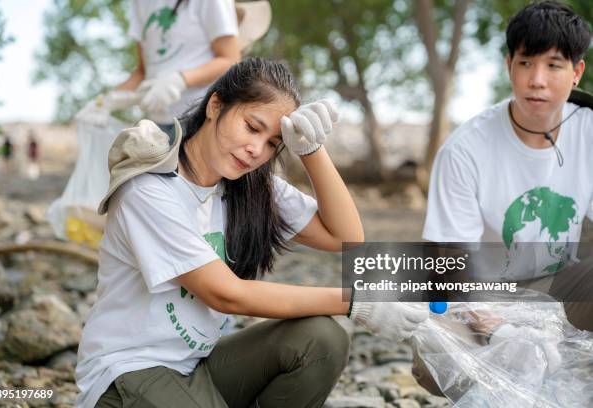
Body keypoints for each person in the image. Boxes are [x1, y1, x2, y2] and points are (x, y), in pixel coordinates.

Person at [75, 58, 429, 408]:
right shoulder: (150, 189)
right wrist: (357, 302)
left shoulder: (251, 188)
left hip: (200, 366)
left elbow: (346, 238)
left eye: (274, 143)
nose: (257, 150)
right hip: (128, 373)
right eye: (252, 127)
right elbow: (226, 295)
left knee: (321, 339)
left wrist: (311, 150)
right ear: (216, 105)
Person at [416, 1, 592, 397]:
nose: (537, 80)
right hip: (487, 293)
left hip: (561, 285)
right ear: (508, 64)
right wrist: (500, 330)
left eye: (554, 65)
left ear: (576, 72)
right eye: (527, 63)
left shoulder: (590, 130)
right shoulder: (465, 149)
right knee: (431, 356)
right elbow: (447, 266)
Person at [76, 0, 260, 134]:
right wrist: (105, 102)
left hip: (198, 122)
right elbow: (142, 72)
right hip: (155, 126)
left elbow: (230, 59)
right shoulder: (140, 4)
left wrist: (179, 80)